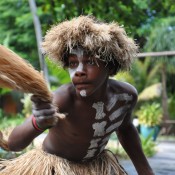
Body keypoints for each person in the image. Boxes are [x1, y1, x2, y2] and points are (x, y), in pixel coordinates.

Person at [0, 15, 154, 175]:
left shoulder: (126, 96)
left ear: (111, 65)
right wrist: (38, 121)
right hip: (55, 168)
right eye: (73, 63)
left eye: (91, 62)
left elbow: (126, 129)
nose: (79, 71)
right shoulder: (62, 99)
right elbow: (14, 144)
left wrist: (145, 170)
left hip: (96, 166)